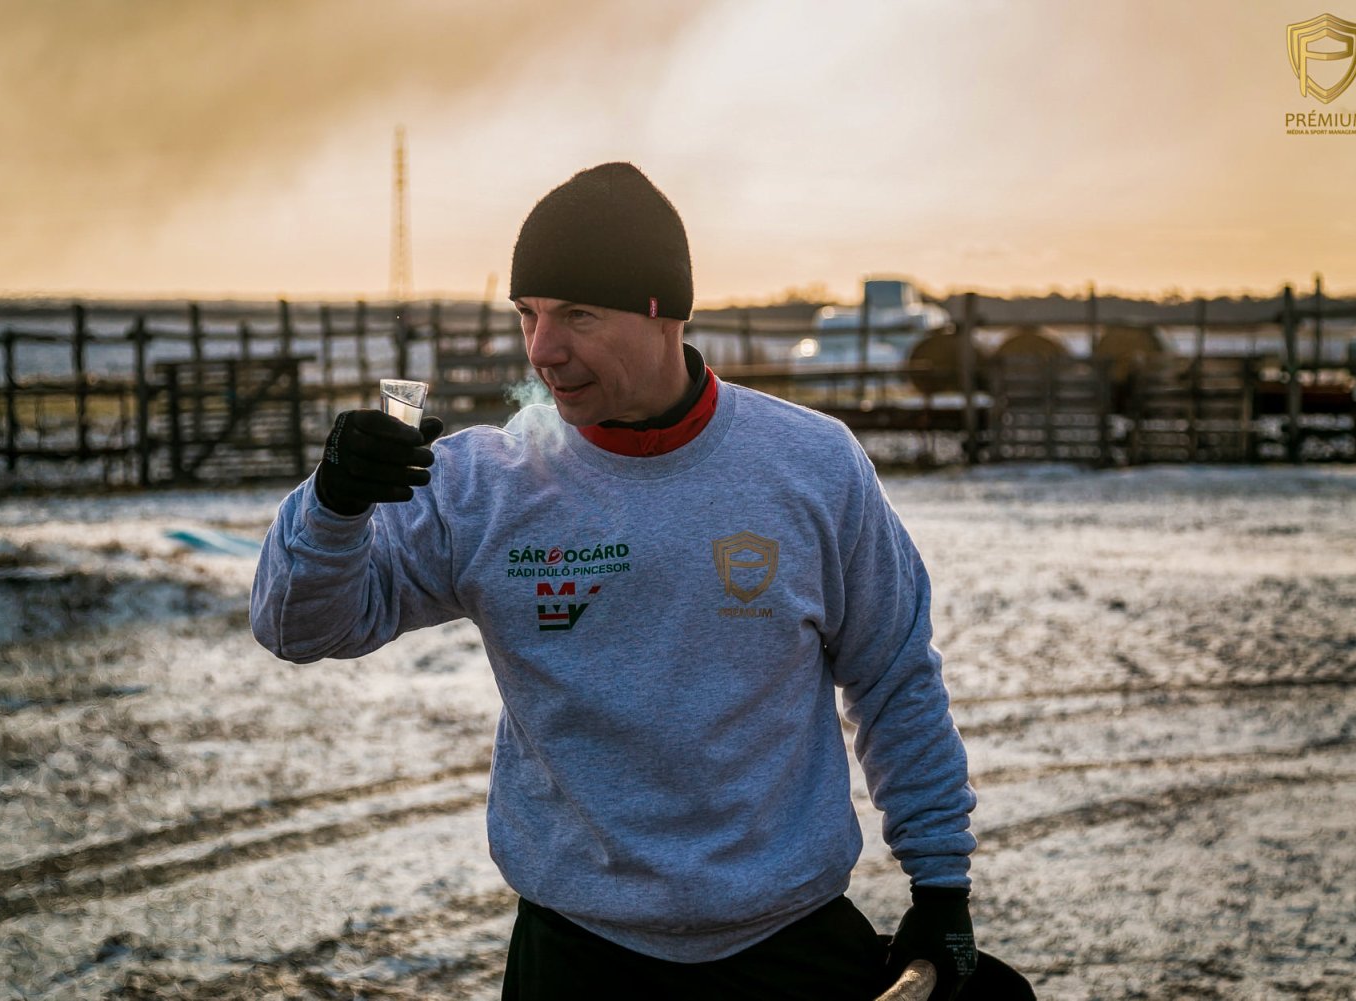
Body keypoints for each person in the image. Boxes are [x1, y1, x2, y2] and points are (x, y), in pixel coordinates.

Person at [251, 162, 979, 1000]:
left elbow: (895, 677)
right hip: (575, 958)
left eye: (577, 315)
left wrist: (940, 889)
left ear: (664, 311)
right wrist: (334, 504)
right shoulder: (486, 483)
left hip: (789, 948)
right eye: (528, 314)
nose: (542, 348)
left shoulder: (812, 465)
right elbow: (297, 628)